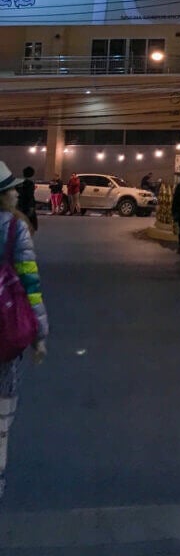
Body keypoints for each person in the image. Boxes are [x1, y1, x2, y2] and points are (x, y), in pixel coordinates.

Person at [0, 161, 48, 499]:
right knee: (2, 415)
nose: (17, 192)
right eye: (11, 189)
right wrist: (39, 335)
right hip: (5, 330)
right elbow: (30, 282)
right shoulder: (15, 229)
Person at [16, 168, 37, 233]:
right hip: (26, 206)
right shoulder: (30, 183)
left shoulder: (18, 183)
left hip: (18, 205)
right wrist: (31, 207)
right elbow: (30, 196)